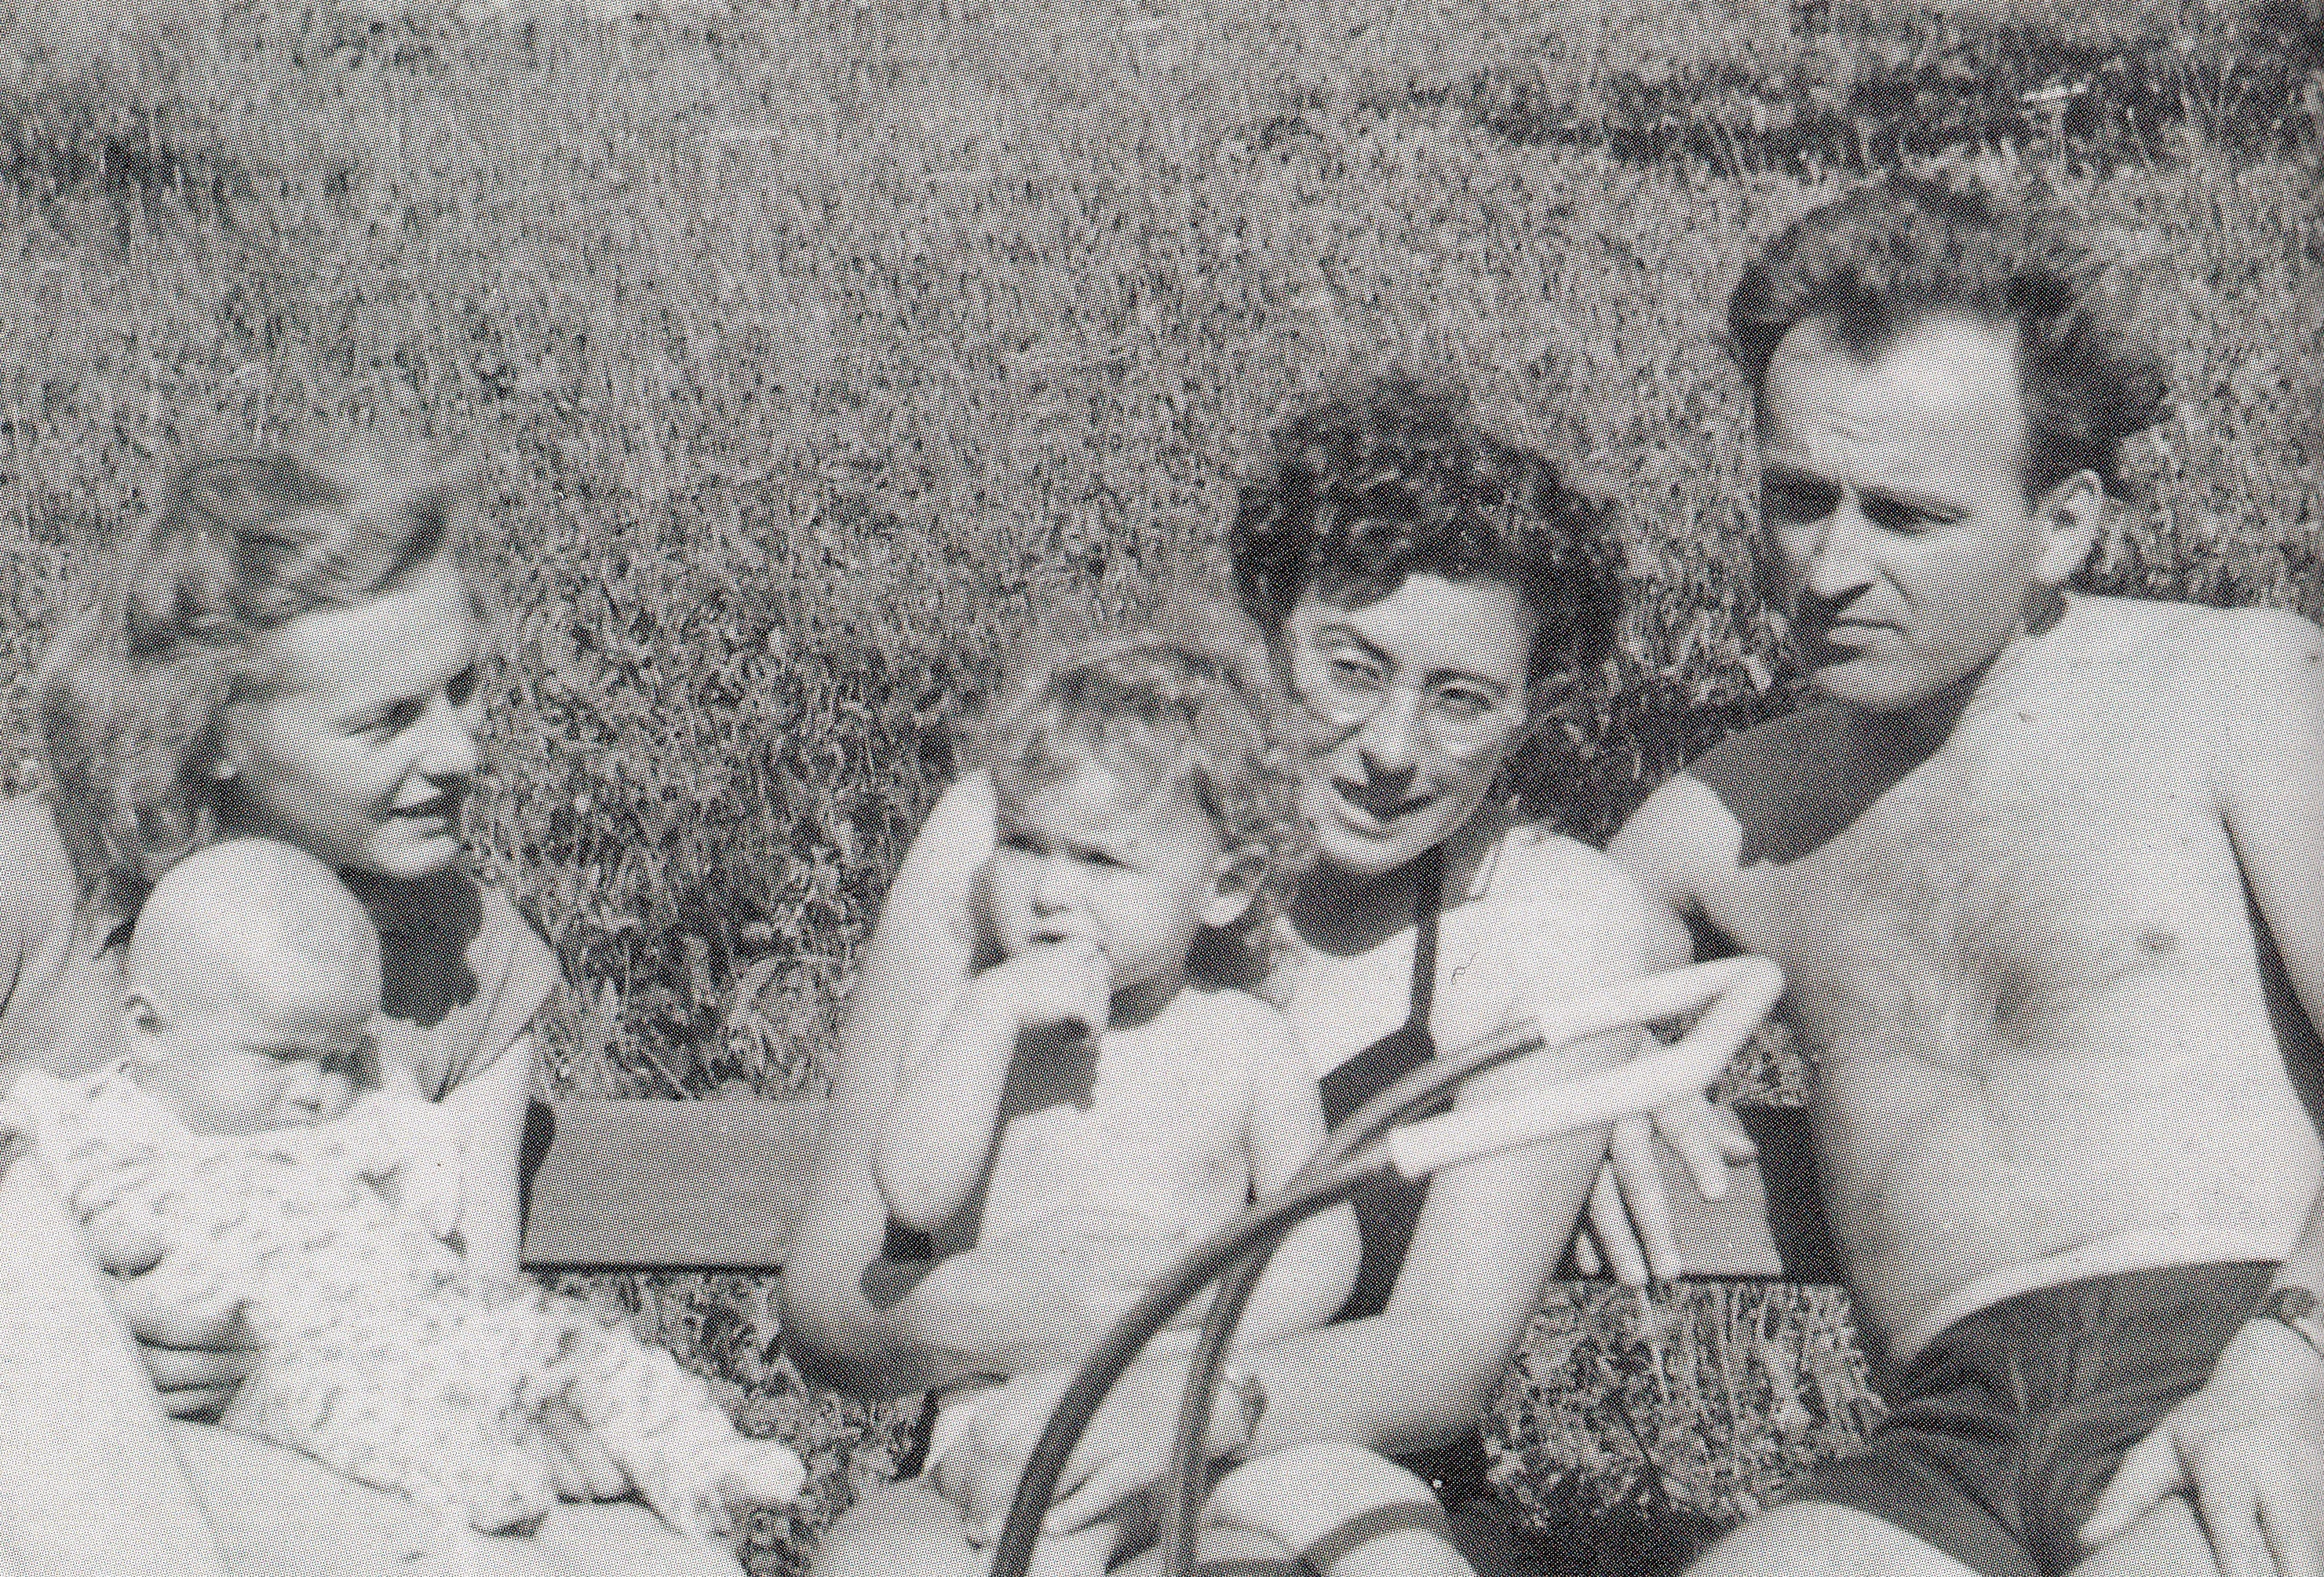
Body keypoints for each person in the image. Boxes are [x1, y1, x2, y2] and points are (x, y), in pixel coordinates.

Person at [786, 374, 1764, 1576]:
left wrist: (1193, 1399)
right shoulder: (1027, 844)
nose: (1392, 749)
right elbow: (826, 1301)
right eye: (1349, 668)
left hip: (1329, 1491)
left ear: (1536, 705)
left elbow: (1447, 1352)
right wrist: (999, 1311)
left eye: (1461, 701)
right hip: (1012, 1457)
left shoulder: (1554, 921)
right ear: (1267, 624)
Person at [1605, 177, 2324, 1577]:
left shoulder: (2234, 689)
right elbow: (1528, 968)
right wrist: (1614, 1070)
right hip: (1945, 1446)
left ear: (2061, 524)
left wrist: (2290, 1359)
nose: (1830, 568)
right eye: (1798, 499)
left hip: (2258, 1357)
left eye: (1906, 515)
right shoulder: (1728, 814)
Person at [0, 440, 742, 1577]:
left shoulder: (468, 960)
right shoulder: (35, 887)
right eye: (387, 719)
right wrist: (69, 1321)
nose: (459, 749)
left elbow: (461, 1303)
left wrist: (534, 1400)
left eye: (463, 689)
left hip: (315, 1473)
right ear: (216, 732)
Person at [8, 837, 808, 1541]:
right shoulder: (82, 1126)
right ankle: (469, 1477)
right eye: (280, 1057)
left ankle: (700, 1457)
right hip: (276, 1360)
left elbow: (450, 1232)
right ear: (149, 1030)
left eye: (339, 1057)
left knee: (577, 1341)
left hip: (413, 1322)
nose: (315, 1091)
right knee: (342, 1405)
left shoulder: (369, 1114)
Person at [870, 616, 1361, 1575]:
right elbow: (916, 1195)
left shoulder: (1246, 1037)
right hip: (1016, 1408)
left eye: (1100, 860)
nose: (1051, 890)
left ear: (1224, 886)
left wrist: (1200, 1362)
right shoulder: (962, 1024)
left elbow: (1320, 1244)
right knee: (1050, 1544)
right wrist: (991, 1013)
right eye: (1024, 843)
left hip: (1196, 1398)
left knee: (1379, 1517)